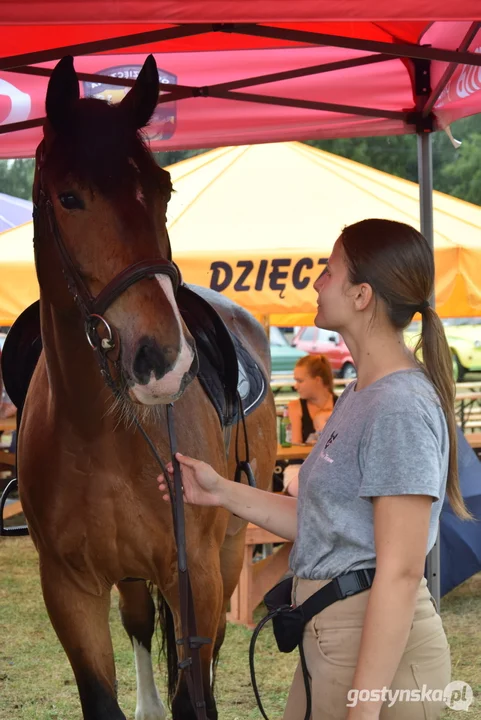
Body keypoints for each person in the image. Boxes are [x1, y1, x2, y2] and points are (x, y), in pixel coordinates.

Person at [158, 218, 468, 720]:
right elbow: (321, 522)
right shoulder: (362, 393)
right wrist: (218, 490)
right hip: (329, 635)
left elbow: (402, 570)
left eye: (329, 271)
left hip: (377, 648)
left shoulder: (399, 406)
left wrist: (363, 708)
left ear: (363, 294)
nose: (317, 282)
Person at [289, 354, 337, 444]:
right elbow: (295, 447)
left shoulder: (342, 405)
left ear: (317, 380)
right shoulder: (295, 406)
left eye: (300, 381)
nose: (295, 386)